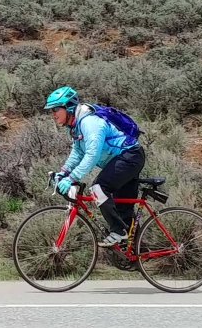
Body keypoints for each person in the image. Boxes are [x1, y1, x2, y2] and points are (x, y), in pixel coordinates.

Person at [44, 86, 145, 248]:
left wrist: (71, 178)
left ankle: (118, 232)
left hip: (130, 156)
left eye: (56, 109)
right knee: (122, 210)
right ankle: (136, 253)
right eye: (51, 110)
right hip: (123, 159)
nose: (53, 113)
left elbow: (92, 155)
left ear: (68, 107)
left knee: (98, 188)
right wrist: (63, 172)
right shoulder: (75, 125)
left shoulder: (90, 123)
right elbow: (77, 152)